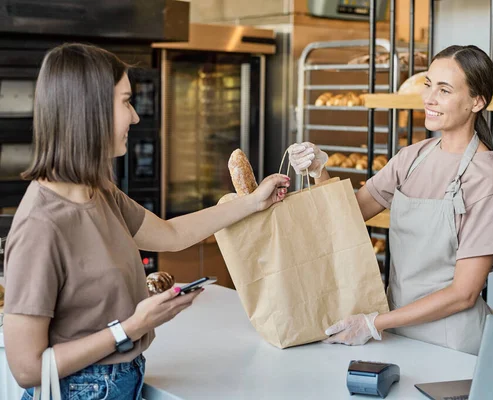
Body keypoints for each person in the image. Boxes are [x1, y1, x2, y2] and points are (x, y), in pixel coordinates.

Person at [3, 43, 290, 399]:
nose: (136, 117)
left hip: (122, 382)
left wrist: (252, 202)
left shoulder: (98, 191)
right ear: (89, 111)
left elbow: (171, 234)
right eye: (125, 101)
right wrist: (134, 326)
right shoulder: (40, 226)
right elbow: (27, 368)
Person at [290, 45, 493, 355]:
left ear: (477, 101)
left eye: (444, 90)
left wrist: (374, 324)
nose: (429, 98)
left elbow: (464, 294)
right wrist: (319, 170)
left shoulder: (487, 181)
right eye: (428, 84)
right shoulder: (412, 159)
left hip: (452, 346)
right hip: (396, 332)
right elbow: (347, 217)